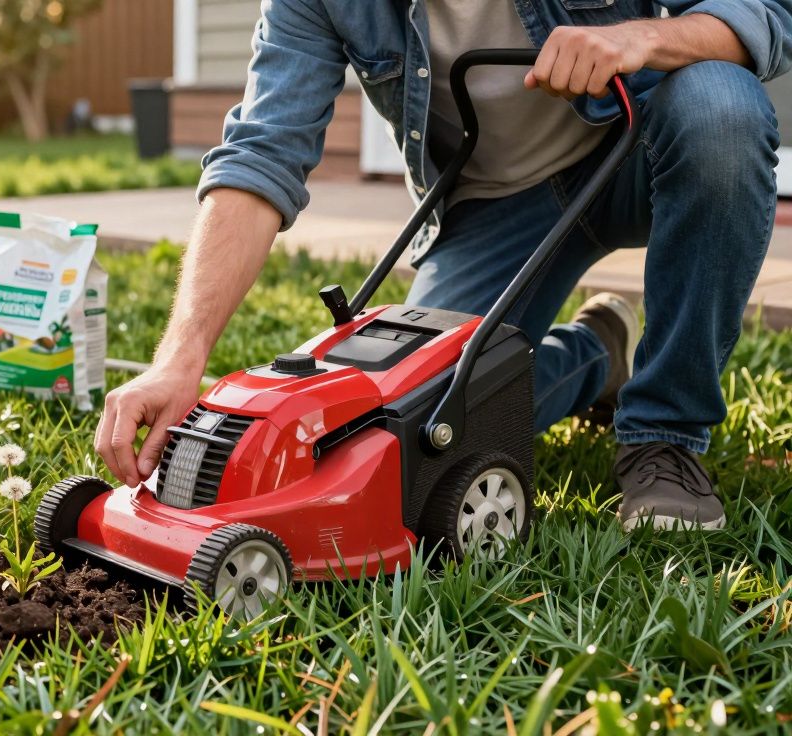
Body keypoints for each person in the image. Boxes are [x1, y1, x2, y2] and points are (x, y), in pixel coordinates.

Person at [96, 0, 791, 531]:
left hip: (634, 146)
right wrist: (178, 359)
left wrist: (645, 38)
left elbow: (766, 12)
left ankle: (664, 436)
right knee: (413, 435)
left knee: (721, 110)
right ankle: (596, 355)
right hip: (493, 206)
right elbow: (261, 155)